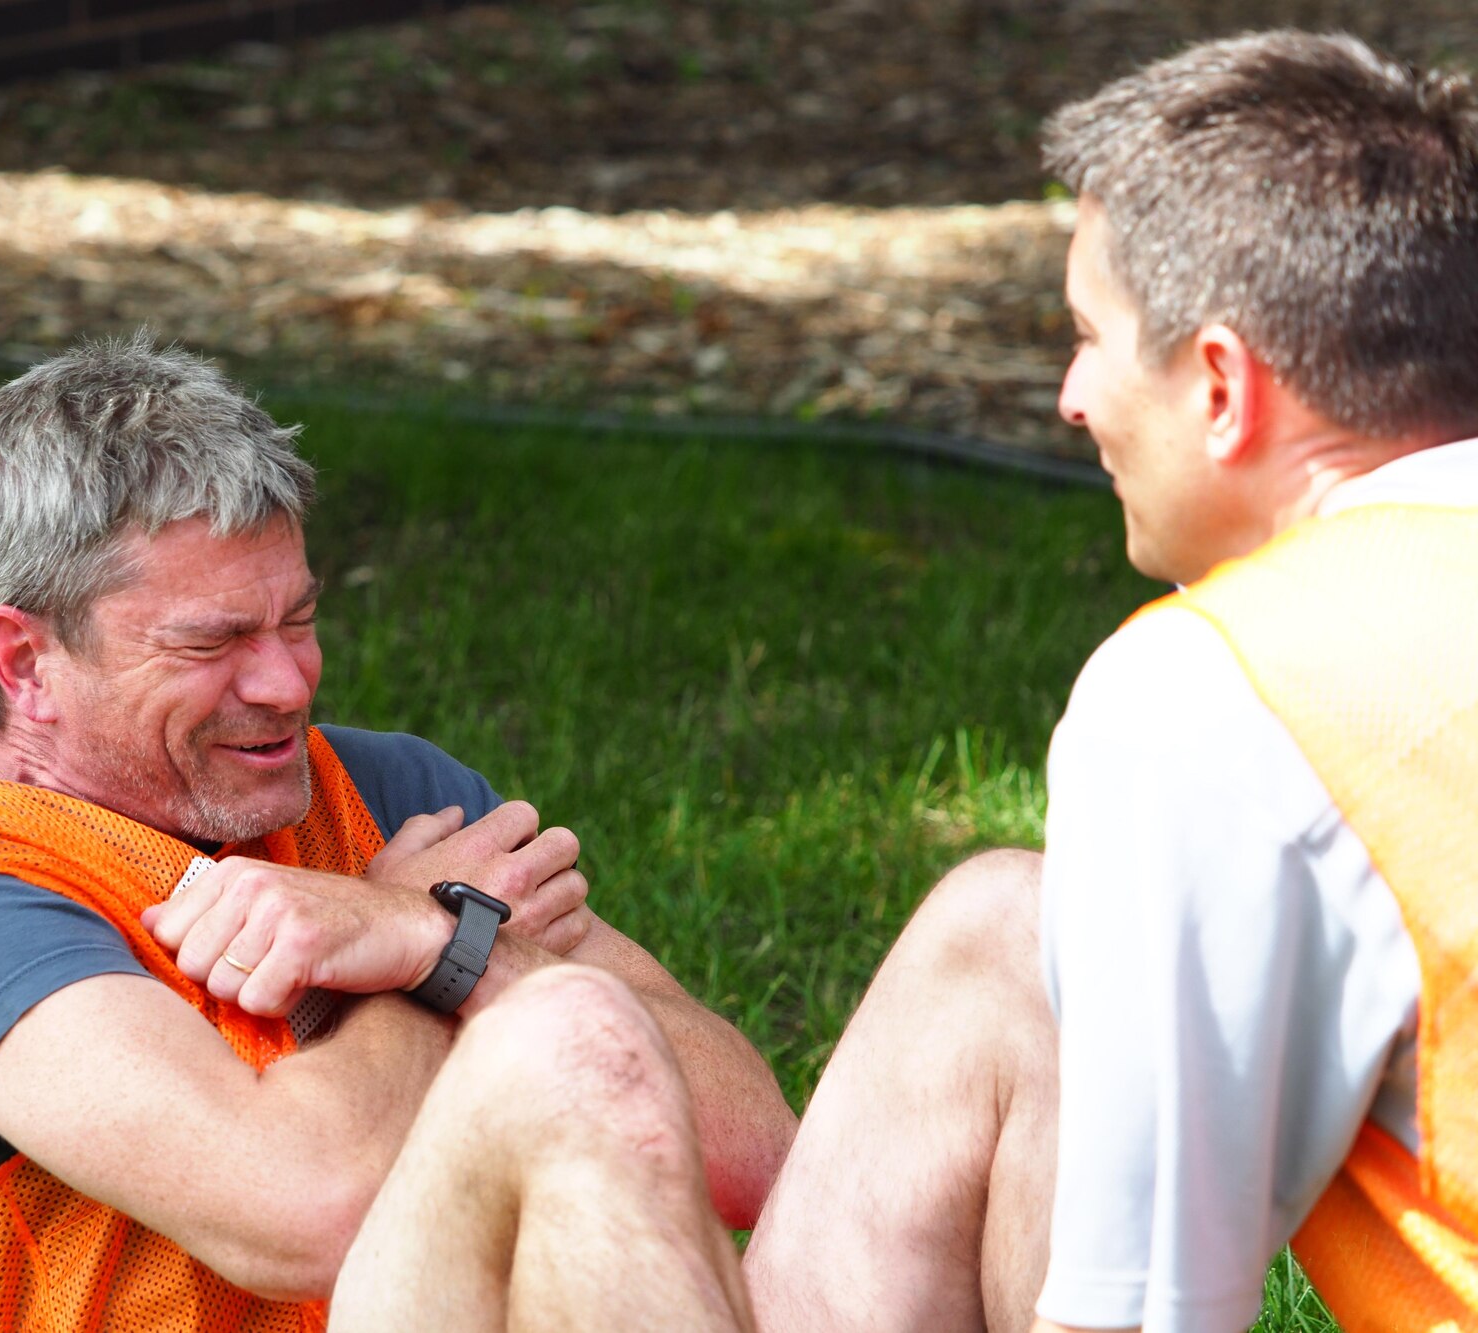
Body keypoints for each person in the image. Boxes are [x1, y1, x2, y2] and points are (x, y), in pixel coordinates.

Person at [318, 28, 1478, 1333]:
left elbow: (1147, 1314)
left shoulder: (1223, 689)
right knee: (1007, 924)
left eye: (1091, 337)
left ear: (1220, 384)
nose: (1069, 396)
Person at [0, 333, 798, 1331]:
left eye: (297, 619)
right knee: (554, 1029)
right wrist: (438, 947)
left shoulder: (395, 794)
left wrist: (428, 933)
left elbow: (751, 1153)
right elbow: (310, 1215)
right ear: (24, 662)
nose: (287, 683)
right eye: (213, 640)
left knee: (968, 924)